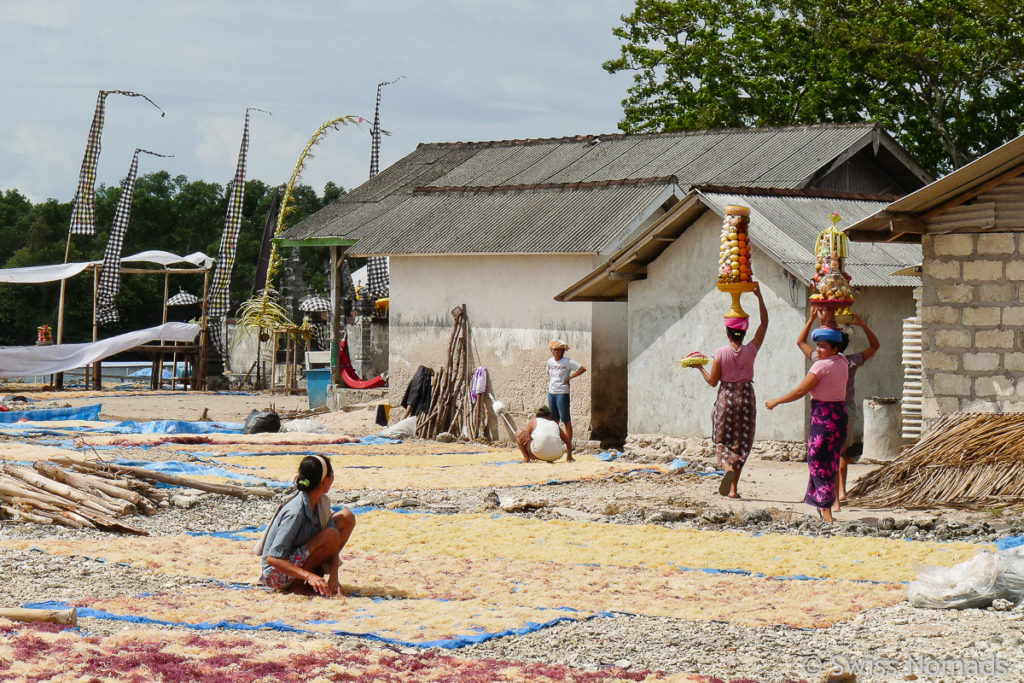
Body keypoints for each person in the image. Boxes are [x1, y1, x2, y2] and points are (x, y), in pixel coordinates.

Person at [797, 310, 880, 511]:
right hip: (845, 410)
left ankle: (829, 496)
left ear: (832, 345)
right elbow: (875, 346)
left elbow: (800, 342)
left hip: (825, 411)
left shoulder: (820, 360)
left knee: (821, 454)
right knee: (839, 454)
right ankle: (839, 493)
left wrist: (810, 320)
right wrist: (862, 324)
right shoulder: (849, 361)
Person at [766, 327, 849, 524]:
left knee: (819, 462)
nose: (818, 350)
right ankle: (824, 506)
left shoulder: (821, 367)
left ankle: (826, 511)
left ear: (835, 348)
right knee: (830, 462)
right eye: (817, 346)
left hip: (824, 418)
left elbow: (801, 390)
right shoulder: (843, 361)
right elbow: (806, 346)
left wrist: (777, 401)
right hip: (840, 417)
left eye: (822, 346)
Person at [694, 283, 768, 498]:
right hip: (746, 397)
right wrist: (760, 296)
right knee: (742, 441)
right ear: (743, 334)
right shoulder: (751, 350)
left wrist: (700, 368)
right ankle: (734, 489)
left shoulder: (720, 353)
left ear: (727, 333)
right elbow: (765, 323)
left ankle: (727, 469)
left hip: (727, 396)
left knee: (722, 439)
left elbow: (712, 382)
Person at [256, 455, 356, 596]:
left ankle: (316, 576)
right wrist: (308, 576)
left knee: (346, 518)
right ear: (324, 481)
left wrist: (334, 577)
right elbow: (272, 559)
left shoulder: (321, 502)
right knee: (330, 534)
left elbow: (333, 543)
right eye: (332, 474)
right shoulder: (295, 513)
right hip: (276, 574)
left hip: (299, 560)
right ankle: (296, 585)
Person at [546, 340, 586, 446]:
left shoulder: (568, 362)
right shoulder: (550, 361)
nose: (556, 352)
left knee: (566, 419)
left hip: (562, 393)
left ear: (563, 351)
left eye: (559, 350)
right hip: (551, 392)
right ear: (551, 350)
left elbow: (582, 369)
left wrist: (569, 378)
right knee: (554, 420)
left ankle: (568, 444)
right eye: (554, 350)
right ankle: (555, 443)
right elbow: (548, 372)